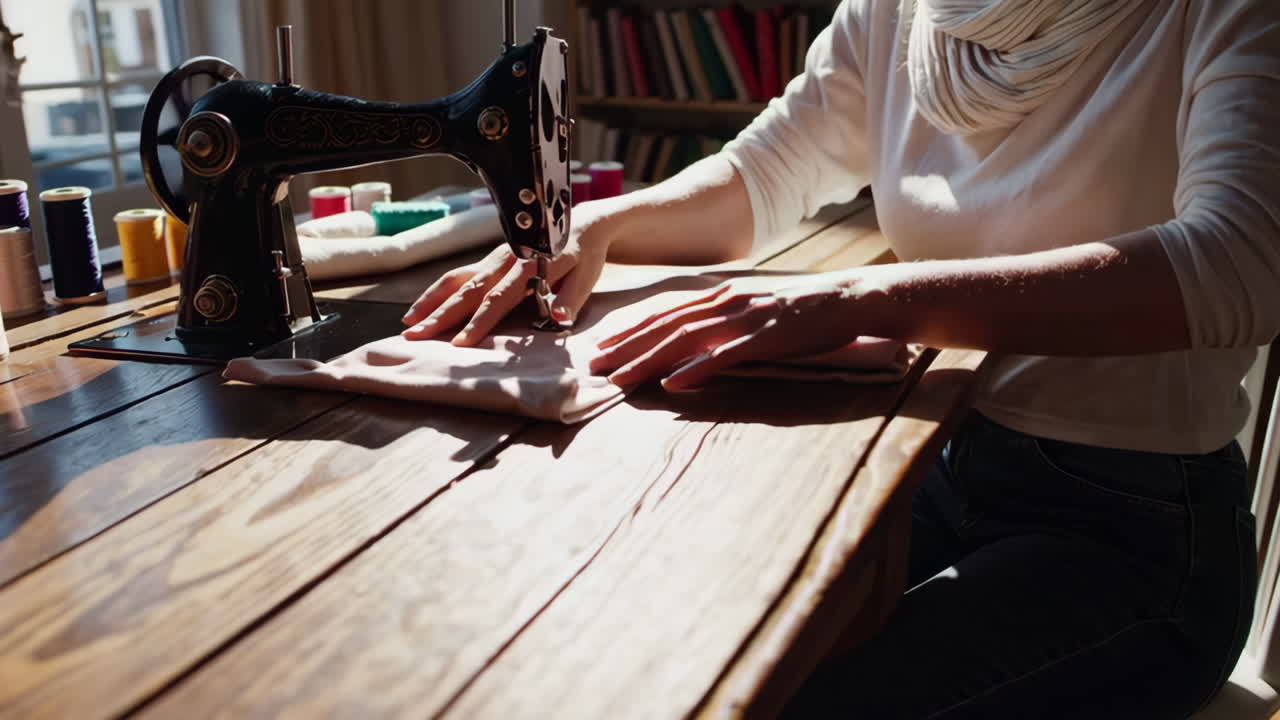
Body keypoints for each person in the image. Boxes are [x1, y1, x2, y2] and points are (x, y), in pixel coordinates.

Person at [402, 0, 1278, 716]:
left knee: (782, 700)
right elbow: (769, 172)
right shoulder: (905, 13)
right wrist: (599, 226)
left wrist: (860, 300)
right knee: (653, 639)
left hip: (1134, 531)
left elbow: (1245, 260)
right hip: (934, 466)